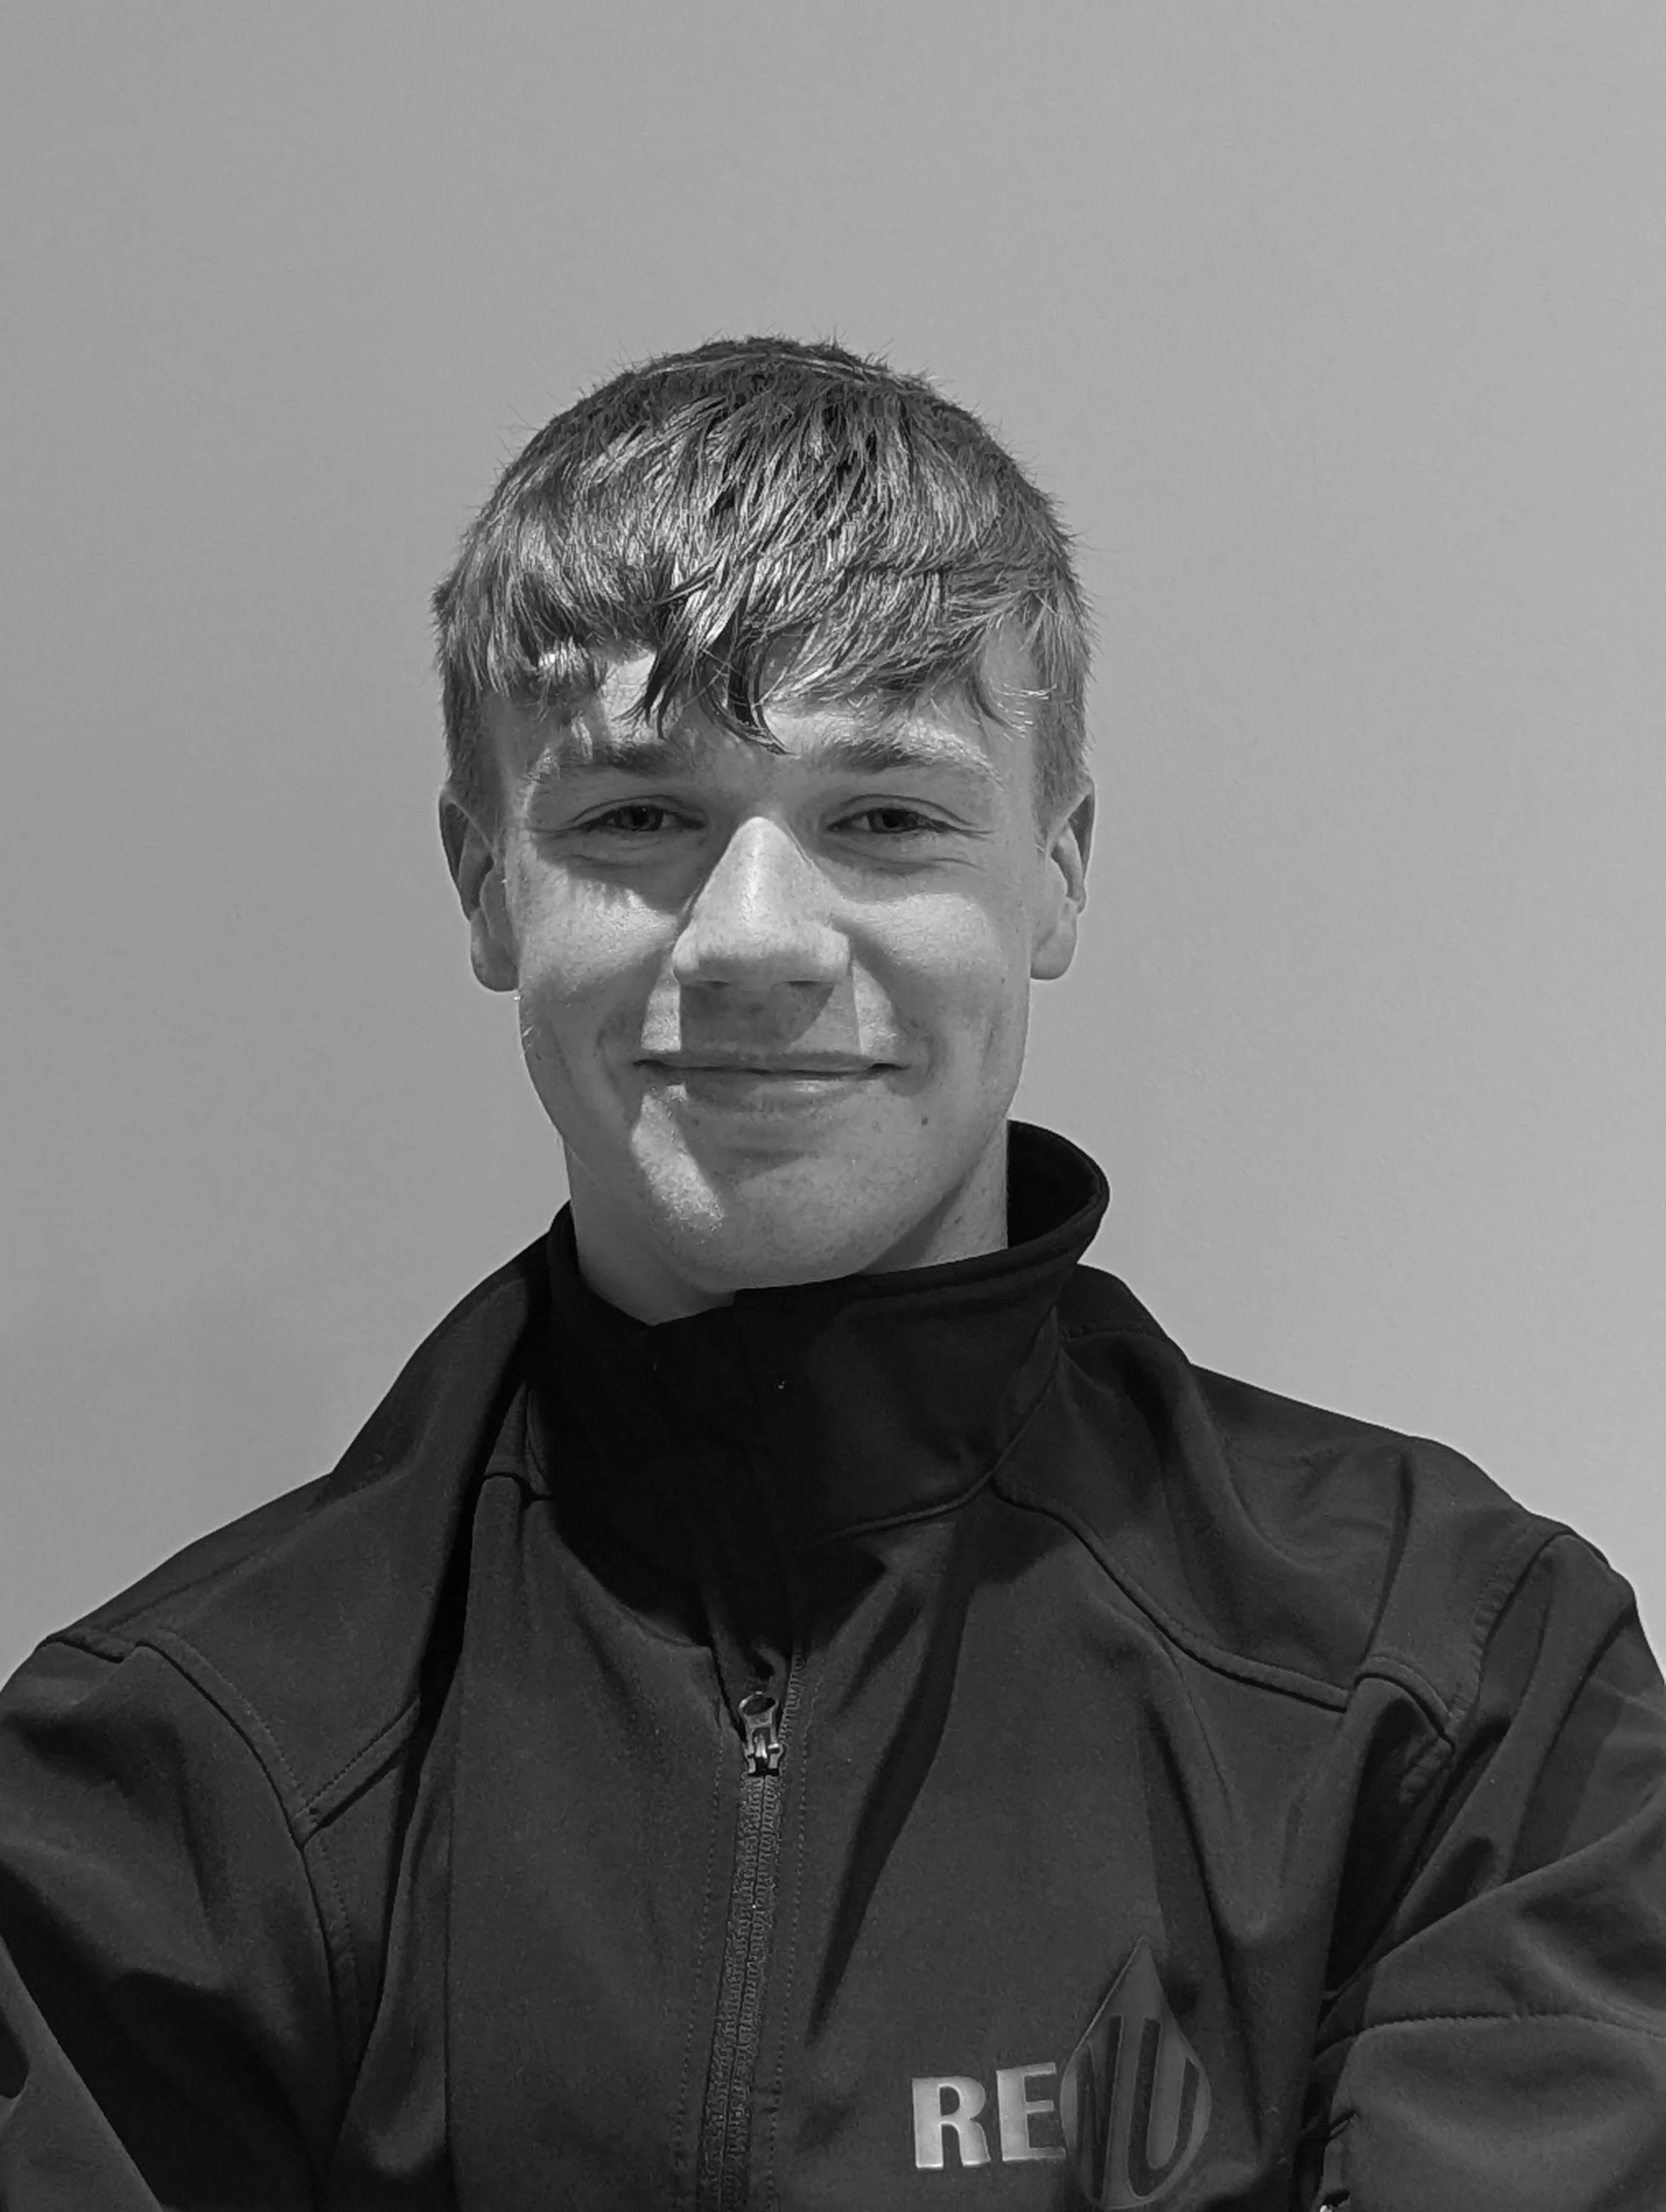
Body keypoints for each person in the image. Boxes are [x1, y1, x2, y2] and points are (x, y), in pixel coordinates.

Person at [1, 336, 1662, 2212]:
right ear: (484, 885)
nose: (755, 940)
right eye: (638, 818)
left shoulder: (1459, 1683)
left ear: (1057, 875)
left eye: (883, 818)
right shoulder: (169, 1780)